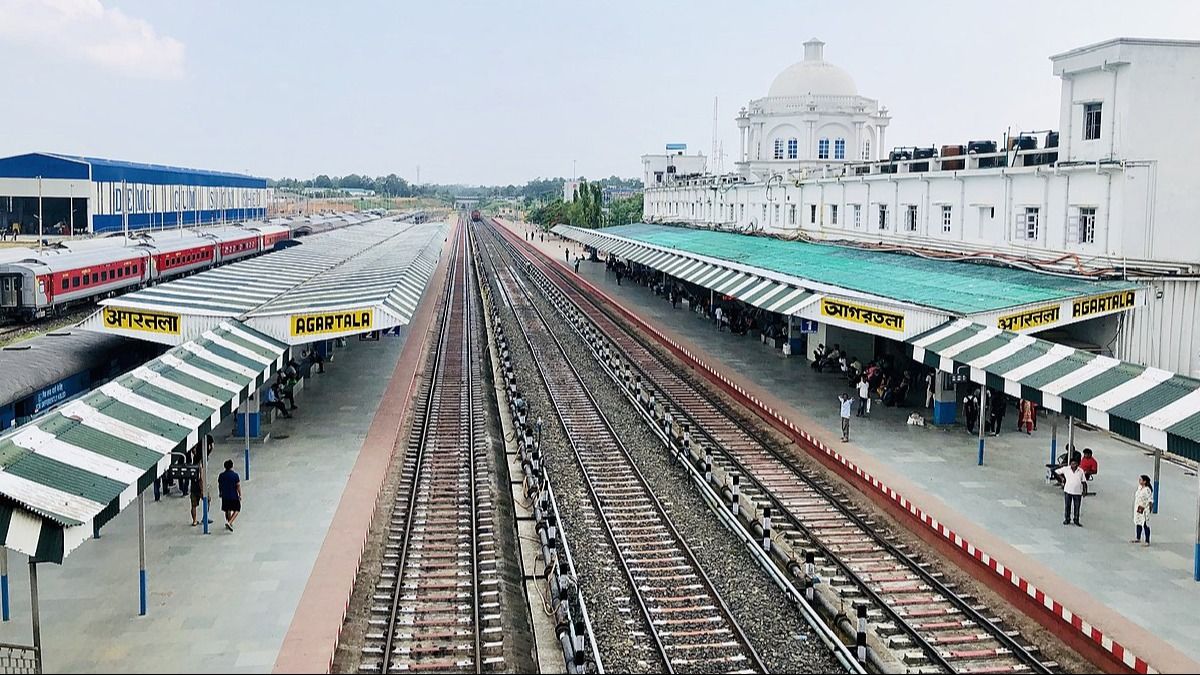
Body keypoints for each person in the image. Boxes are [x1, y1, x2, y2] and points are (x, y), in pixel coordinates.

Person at [190, 436, 214, 527]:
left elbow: (193, 449)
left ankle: (194, 520)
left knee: (193, 504)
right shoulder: (201, 464)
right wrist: (203, 489)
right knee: (208, 499)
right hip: (200, 486)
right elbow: (201, 478)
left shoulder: (194, 463)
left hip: (193, 485)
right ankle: (205, 517)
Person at [1055, 456, 1087, 526]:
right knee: (1067, 506)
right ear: (1070, 464)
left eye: (1075, 464)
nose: (1073, 465)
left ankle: (1076, 520)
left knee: (1077, 507)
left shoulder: (1081, 471)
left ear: (1077, 464)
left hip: (1077, 492)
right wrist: (1062, 479)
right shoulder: (1066, 469)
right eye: (1072, 464)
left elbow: (1084, 482)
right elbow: (1056, 472)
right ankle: (1067, 519)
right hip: (1068, 491)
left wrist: (1085, 491)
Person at [218, 460, 241, 532]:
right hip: (233, 495)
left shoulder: (221, 475)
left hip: (225, 495)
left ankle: (229, 521)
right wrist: (240, 494)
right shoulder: (235, 475)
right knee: (237, 509)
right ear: (232, 466)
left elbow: (220, 485)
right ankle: (230, 522)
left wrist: (220, 492)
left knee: (227, 509)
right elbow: (238, 486)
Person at [1132, 475, 1154, 546]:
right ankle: (1138, 538)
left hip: (1144, 509)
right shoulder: (1139, 487)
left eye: (1141, 480)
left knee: (1145, 524)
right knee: (1138, 522)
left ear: (1145, 481)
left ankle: (1147, 540)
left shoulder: (1147, 490)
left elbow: (1150, 500)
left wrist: (1149, 509)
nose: (1139, 481)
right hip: (1138, 508)